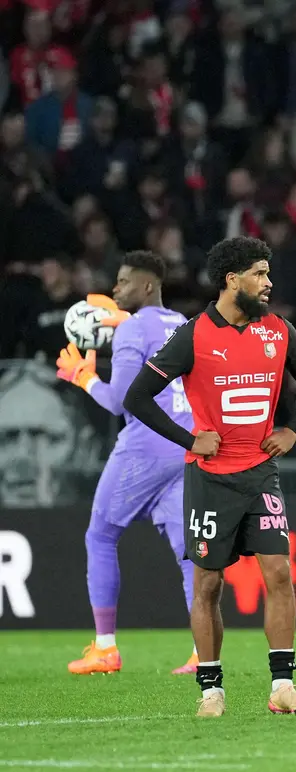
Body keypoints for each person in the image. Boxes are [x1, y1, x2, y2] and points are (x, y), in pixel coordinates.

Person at [123, 236, 296, 718]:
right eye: (260, 272)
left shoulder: (278, 330)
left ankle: (282, 687)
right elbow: (137, 396)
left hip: (261, 473)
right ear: (232, 280)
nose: (268, 281)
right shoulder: (194, 335)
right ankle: (211, 691)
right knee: (209, 584)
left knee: (279, 572)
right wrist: (190, 440)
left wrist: (292, 429)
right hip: (211, 477)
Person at [54, 254, 197, 676]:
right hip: (184, 445)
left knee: (100, 535)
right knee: (190, 555)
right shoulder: (185, 324)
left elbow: (119, 401)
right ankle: (200, 651)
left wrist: (85, 378)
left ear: (147, 286)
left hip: (145, 447)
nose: (115, 291)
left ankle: (105, 649)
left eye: (122, 282)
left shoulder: (134, 327)